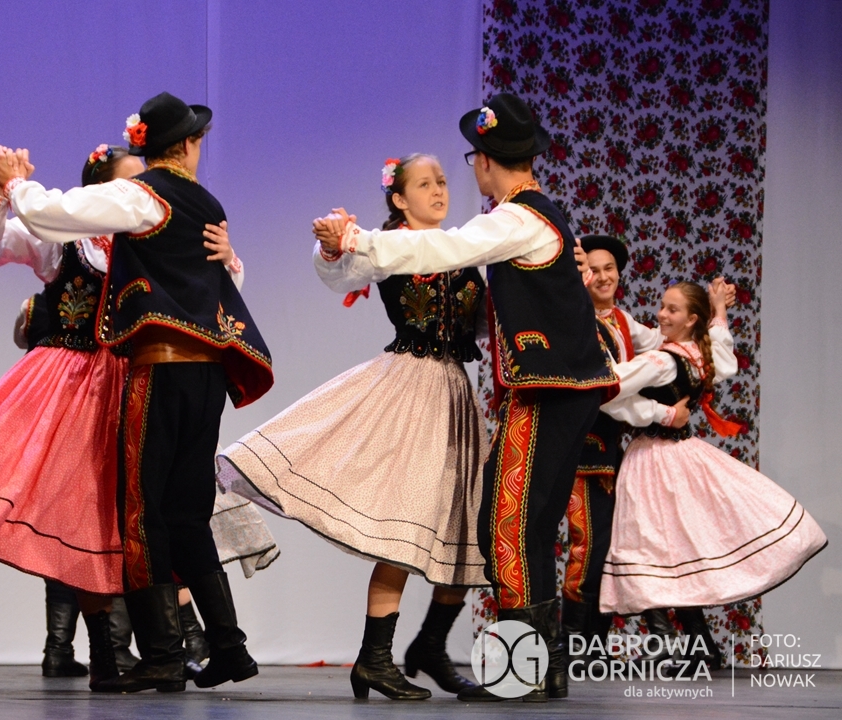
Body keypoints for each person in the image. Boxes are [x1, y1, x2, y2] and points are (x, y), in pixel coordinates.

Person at [314, 93, 618, 702]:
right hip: (526, 388)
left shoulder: (514, 219)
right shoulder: (525, 218)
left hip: (547, 391)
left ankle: (522, 672)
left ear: (483, 162)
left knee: (508, 527)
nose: (444, 187)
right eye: (425, 183)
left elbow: (446, 248)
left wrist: (358, 237)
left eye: (451, 173)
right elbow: (415, 271)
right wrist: (344, 247)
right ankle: (538, 668)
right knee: (515, 526)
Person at [0, 91, 274, 693]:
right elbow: (213, 278)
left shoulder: (143, 195)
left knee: (144, 513)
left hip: (162, 369)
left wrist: (16, 184)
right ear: (189, 144)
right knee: (189, 515)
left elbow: (51, 213)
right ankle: (229, 648)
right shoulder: (206, 202)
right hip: (207, 374)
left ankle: (164, 654)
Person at [220, 154, 487, 700]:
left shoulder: (464, 249)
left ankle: (429, 645)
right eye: (425, 184)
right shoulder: (386, 246)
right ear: (399, 199)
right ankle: (375, 658)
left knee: (467, 528)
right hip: (412, 386)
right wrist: (332, 245)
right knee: (405, 523)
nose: (439, 190)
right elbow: (341, 273)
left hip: (456, 394)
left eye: (442, 181)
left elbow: (480, 323)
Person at [598, 280, 827, 669]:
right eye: (662, 306)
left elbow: (609, 388)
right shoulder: (698, 355)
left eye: (672, 310)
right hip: (681, 455)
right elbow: (725, 360)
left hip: (654, 458)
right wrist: (719, 311)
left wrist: (660, 414)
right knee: (679, 548)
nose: (661, 315)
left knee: (651, 547)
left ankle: (673, 643)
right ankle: (699, 643)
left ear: (691, 320)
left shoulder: (662, 361)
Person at [560, 235, 664, 657]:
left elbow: (664, 341)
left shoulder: (621, 319)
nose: (603, 277)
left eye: (609, 269)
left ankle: (594, 643)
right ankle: (573, 643)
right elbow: (608, 390)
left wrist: (712, 317)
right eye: (593, 270)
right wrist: (663, 413)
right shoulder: (578, 322)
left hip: (609, 448)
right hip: (581, 448)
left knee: (611, 546)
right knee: (588, 545)